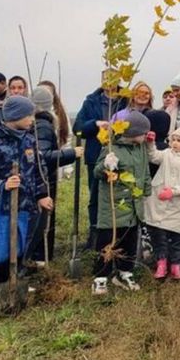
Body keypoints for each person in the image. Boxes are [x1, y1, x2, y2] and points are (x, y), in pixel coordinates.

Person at [0, 96, 53, 312]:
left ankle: (7, 297)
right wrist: (2, 184)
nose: (32, 120)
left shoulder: (28, 140)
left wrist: (41, 195)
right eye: (28, 115)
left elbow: (37, 170)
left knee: (16, 254)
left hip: (24, 208)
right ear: (15, 116)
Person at [93, 109, 151, 291]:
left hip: (134, 203)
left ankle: (125, 272)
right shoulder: (111, 148)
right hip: (113, 204)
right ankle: (101, 276)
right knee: (108, 240)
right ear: (132, 133)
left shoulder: (140, 148)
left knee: (129, 238)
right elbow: (97, 172)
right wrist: (106, 166)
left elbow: (145, 171)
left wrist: (146, 191)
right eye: (143, 133)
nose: (146, 136)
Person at [73, 75, 128, 247]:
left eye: (113, 77)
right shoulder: (91, 101)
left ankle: (120, 236)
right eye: (106, 78)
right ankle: (95, 236)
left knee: (122, 195)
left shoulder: (126, 100)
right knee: (96, 197)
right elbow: (77, 129)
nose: (109, 81)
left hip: (122, 155)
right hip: (96, 157)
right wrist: (95, 124)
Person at [29, 86, 82, 265]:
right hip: (42, 180)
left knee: (43, 218)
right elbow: (42, 157)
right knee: (41, 220)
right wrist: (71, 154)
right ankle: (39, 257)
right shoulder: (43, 125)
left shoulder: (40, 123)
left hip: (42, 179)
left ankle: (42, 255)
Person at [144, 126, 180, 281]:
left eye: (179, 141)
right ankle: (161, 264)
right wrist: (150, 143)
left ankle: (175, 266)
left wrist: (173, 191)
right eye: (173, 140)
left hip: (177, 205)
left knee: (176, 238)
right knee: (159, 236)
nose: (175, 143)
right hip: (160, 202)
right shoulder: (167, 154)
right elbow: (153, 156)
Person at [36, 80, 70, 147]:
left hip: (59, 152)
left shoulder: (60, 111)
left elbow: (68, 135)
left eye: (48, 92)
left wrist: (65, 152)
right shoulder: (31, 112)